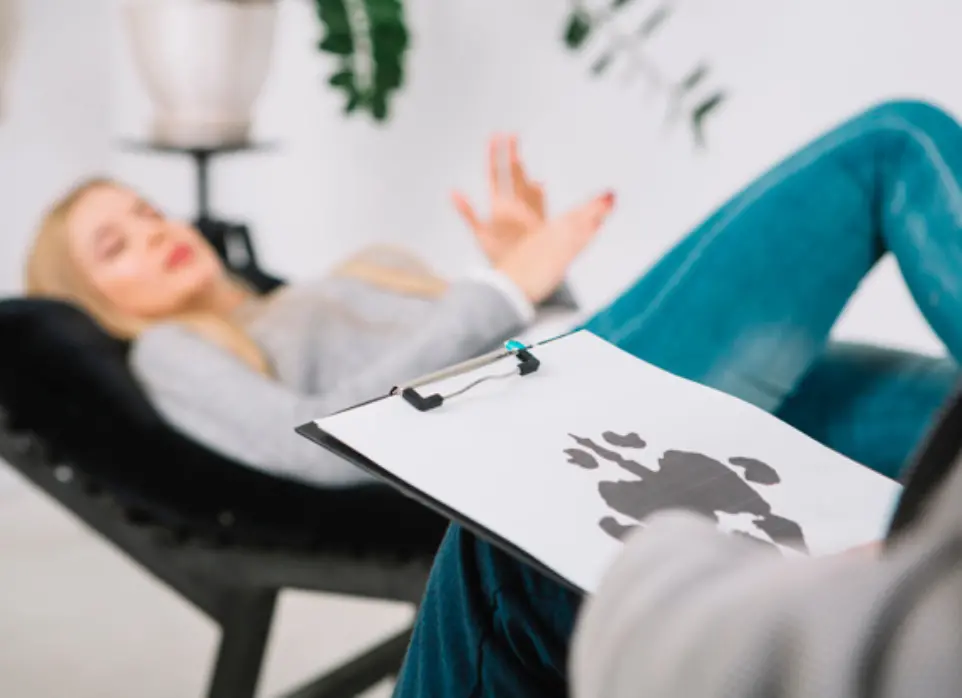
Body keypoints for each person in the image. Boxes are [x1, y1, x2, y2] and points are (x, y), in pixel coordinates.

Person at [389, 98, 962, 698]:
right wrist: (502, 288)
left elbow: (505, 341)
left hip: (551, 365)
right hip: (531, 403)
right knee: (894, 144)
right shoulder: (278, 335)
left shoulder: (368, 279)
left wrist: (529, 287)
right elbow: (310, 440)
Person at [23, 138, 615, 487]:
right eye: (115, 245)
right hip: (561, 427)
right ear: (92, 299)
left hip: (587, 375)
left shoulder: (320, 286)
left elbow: (531, 347)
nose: (151, 233)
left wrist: (534, 276)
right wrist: (505, 288)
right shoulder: (168, 349)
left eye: (149, 213)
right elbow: (308, 445)